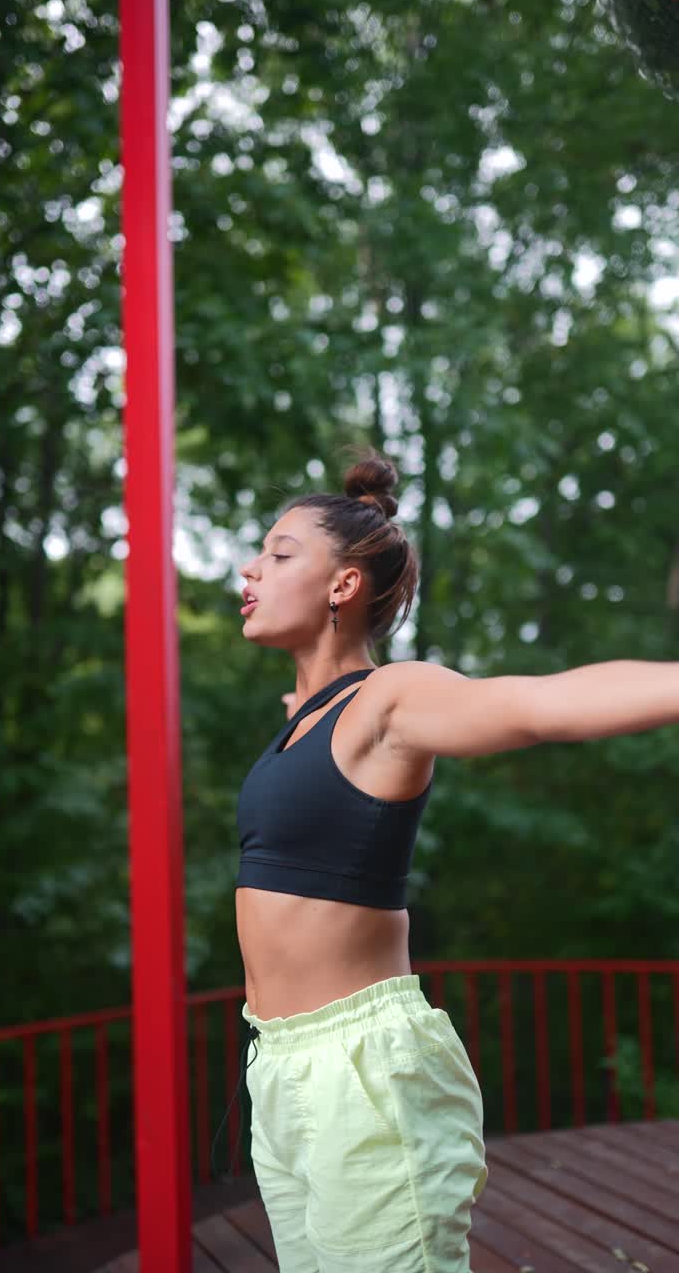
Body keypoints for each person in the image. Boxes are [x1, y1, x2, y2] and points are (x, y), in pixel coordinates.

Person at [213, 444, 676, 1272]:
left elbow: (537, 706)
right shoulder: (306, 720)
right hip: (280, 1067)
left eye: (279, 553)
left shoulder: (389, 702)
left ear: (342, 585)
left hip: (365, 1077)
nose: (250, 569)